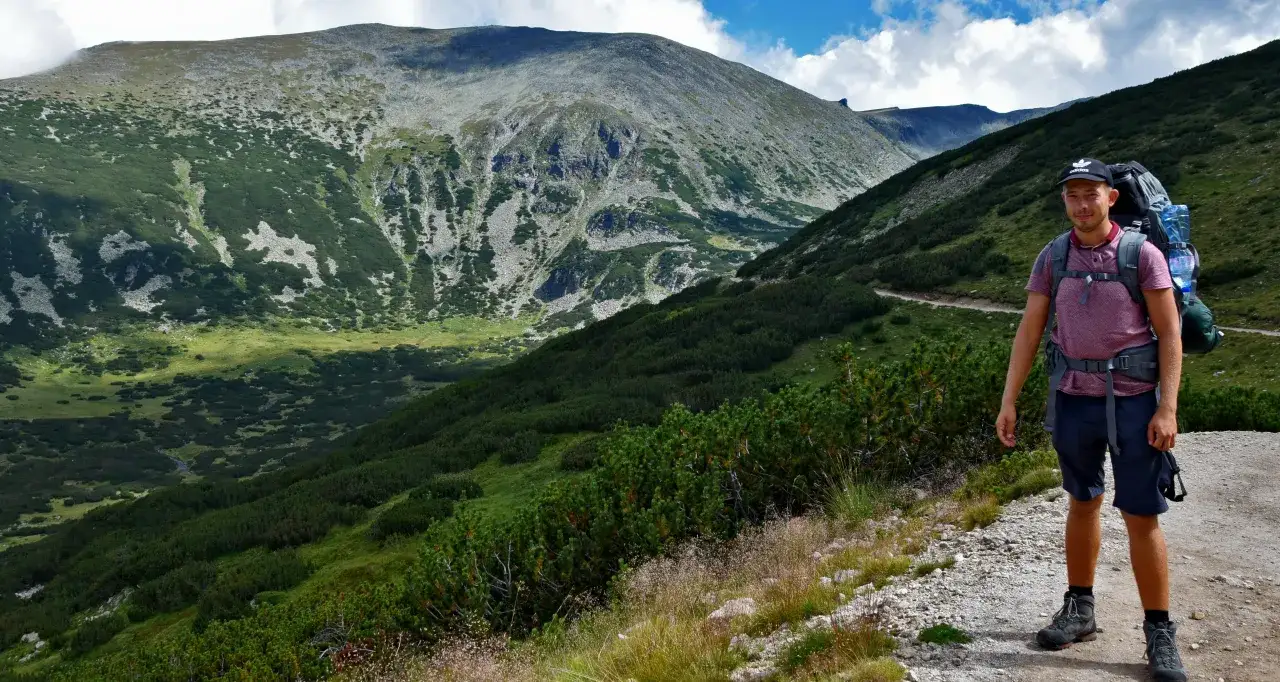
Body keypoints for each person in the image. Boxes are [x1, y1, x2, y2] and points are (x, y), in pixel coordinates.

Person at [995, 158, 1187, 681]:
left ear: (1111, 198)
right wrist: (1009, 399)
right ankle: (1080, 608)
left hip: (1133, 401)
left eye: (1091, 194)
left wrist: (1166, 407)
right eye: (1072, 195)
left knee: (1140, 514)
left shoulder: (1140, 255)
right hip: (1072, 397)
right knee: (1082, 502)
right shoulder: (1053, 257)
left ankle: (1160, 632)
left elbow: (1170, 335)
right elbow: (1030, 329)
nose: (1081, 204)